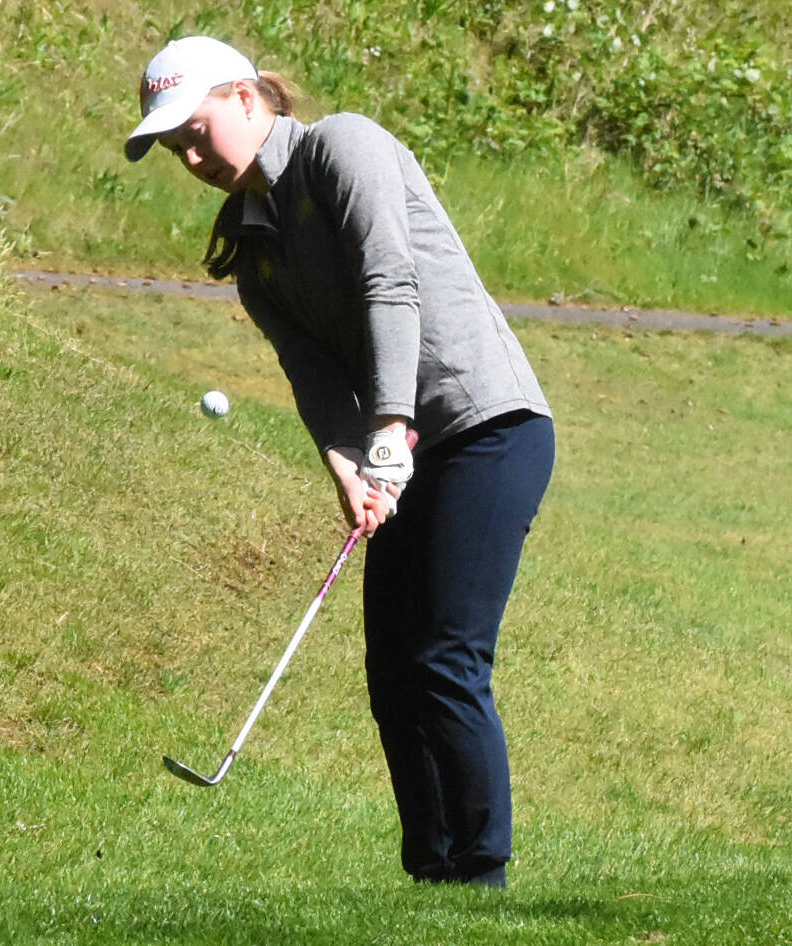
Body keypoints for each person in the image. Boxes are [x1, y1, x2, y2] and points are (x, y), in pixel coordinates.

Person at [125, 36, 555, 889]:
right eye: (177, 148)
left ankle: (479, 872)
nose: (194, 156)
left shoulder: (342, 146)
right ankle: (430, 874)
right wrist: (347, 464)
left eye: (199, 130)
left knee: (445, 656)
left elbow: (388, 283)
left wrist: (389, 427)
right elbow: (313, 376)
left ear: (248, 97)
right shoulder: (253, 255)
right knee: (391, 668)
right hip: (399, 455)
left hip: (484, 426)